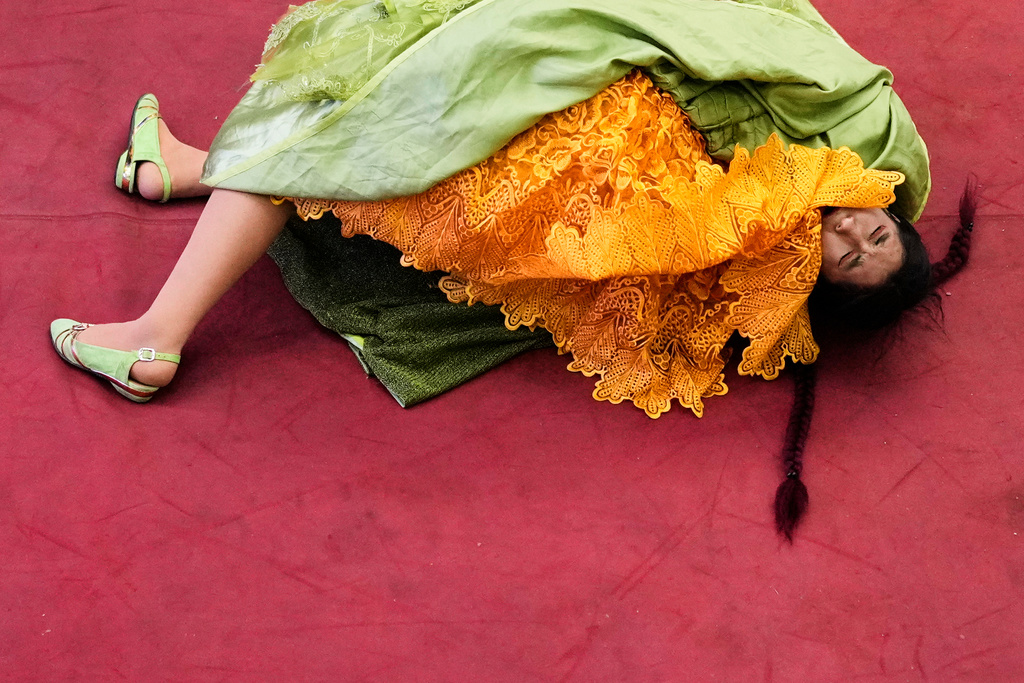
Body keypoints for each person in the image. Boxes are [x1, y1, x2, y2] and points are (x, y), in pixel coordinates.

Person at [49, 0, 974, 538]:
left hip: (549, 186)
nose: (850, 232)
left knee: (344, 119)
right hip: (577, 153)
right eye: (876, 237)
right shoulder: (821, 179)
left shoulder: (764, 225)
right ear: (897, 219)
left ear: (808, 288)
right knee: (373, 107)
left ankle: (152, 339)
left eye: (846, 258)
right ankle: (186, 166)